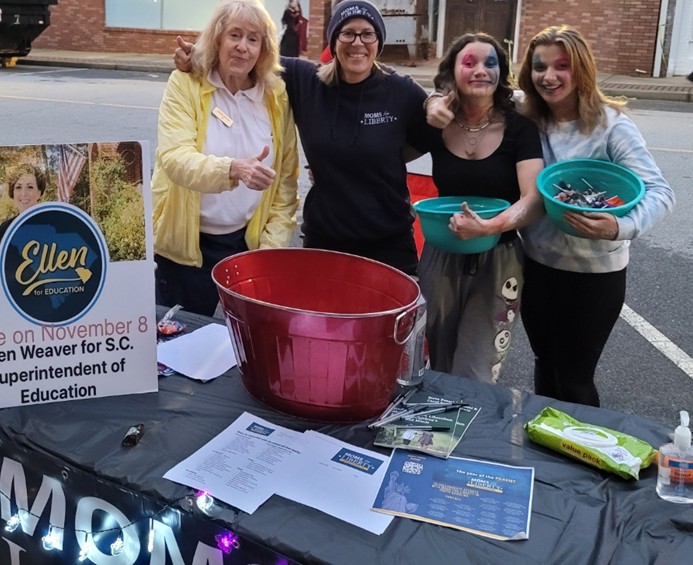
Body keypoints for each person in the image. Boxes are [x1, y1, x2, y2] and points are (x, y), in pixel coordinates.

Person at [176, 0, 428, 276]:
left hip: (389, 244)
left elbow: (436, 132)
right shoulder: (305, 81)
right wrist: (197, 56)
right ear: (333, 41)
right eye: (347, 33)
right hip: (325, 240)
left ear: (378, 42)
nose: (357, 42)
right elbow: (250, 56)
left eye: (368, 34)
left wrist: (383, 155)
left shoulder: (402, 91)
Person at [516, 25, 675, 406]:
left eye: (562, 66)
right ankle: (547, 441)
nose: (549, 76)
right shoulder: (526, 116)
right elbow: (470, 87)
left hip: (593, 278)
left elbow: (661, 192)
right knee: (545, 366)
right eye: (540, 66)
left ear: (582, 69)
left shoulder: (611, 126)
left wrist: (620, 226)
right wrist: (436, 100)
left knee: (574, 379)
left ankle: (585, 445)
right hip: (537, 267)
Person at [154, 0, 300, 317]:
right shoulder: (186, 83)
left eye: (253, 39)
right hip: (186, 246)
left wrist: (269, 251)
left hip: (246, 243)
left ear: (263, 49)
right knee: (180, 334)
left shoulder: (275, 96)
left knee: (247, 337)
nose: (242, 47)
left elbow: (286, 185)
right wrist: (234, 169)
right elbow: (175, 159)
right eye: (234, 35)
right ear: (218, 39)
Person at [419, 33, 544, 382]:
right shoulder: (438, 122)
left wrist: (490, 227)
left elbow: (533, 199)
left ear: (501, 73)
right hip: (441, 255)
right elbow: (386, 155)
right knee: (435, 360)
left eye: (490, 63)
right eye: (469, 62)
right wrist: (431, 102)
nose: (480, 70)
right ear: (453, 72)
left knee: (477, 369)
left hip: (499, 259)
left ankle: (471, 419)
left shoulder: (520, 127)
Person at [0, 162, 46, 239]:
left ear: (39, 192)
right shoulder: (5, 229)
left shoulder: (51, 225)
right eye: (18, 187)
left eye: (30, 187)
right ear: (13, 192)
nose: (24, 193)